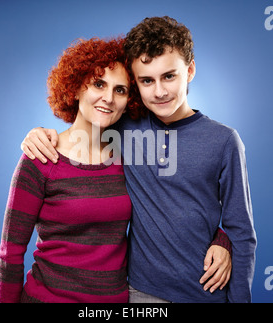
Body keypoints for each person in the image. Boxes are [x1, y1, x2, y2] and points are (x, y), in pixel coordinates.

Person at [20, 18, 244, 302]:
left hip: (184, 291)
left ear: (190, 70)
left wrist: (223, 238)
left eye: (169, 76)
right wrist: (37, 133)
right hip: (135, 293)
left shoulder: (219, 140)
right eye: (147, 80)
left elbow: (223, 217)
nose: (160, 91)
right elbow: (86, 123)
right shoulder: (120, 129)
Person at [0, 37, 136, 303]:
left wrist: (218, 237)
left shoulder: (129, 158)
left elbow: (174, 203)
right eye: (98, 84)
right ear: (75, 89)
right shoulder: (41, 158)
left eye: (120, 90)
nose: (108, 98)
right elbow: (10, 254)